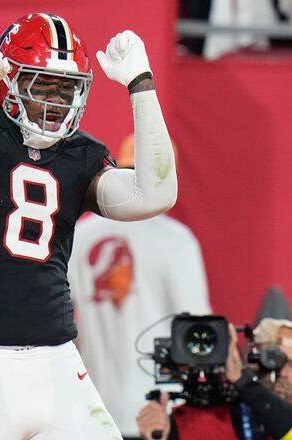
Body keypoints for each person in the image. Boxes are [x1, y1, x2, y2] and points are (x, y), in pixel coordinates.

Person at [0, 12, 177, 439]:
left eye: (68, 88)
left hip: (58, 361)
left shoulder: (78, 153)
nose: (58, 102)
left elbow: (156, 195)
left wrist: (141, 85)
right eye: (44, 86)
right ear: (9, 80)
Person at [68, 135, 212, 439]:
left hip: (93, 405)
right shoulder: (175, 238)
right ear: (167, 173)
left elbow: (62, 320)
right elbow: (198, 329)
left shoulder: (79, 234)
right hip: (159, 413)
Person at [136, 318, 292, 439]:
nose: (282, 372)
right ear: (251, 362)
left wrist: (242, 381)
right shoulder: (201, 418)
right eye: (271, 360)